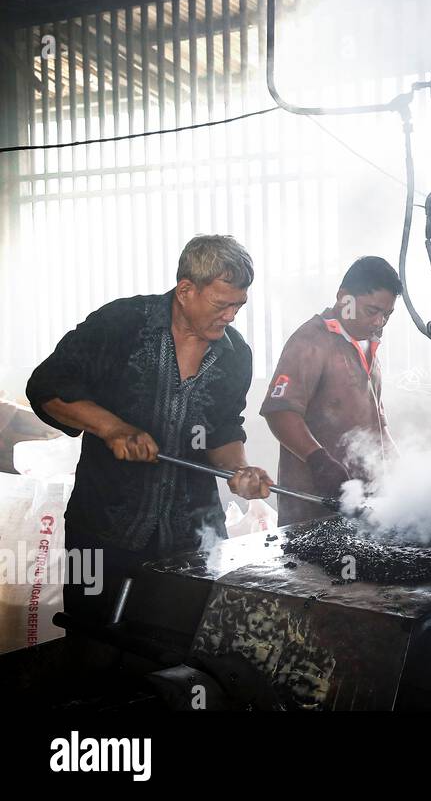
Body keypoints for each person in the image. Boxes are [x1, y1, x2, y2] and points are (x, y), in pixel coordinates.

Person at [26, 235, 274, 627]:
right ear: (186, 289)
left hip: (192, 539)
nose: (230, 316)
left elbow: (224, 428)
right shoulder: (120, 325)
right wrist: (113, 428)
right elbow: (47, 387)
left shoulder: (235, 355)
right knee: (92, 648)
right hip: (100, 531)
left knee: (177, 656)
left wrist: (238, 471)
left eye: (238, 305)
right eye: (221, 303)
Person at [261, 256, 400, 524]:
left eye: (387, 314)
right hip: (312, 511)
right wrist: (319, 462)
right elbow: (280, 412)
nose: (379, 323)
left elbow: (380, 427)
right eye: (372, 311)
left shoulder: (368, 347)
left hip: (363, 511)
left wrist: (403, 473)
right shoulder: (310, 341)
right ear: (344, 297)